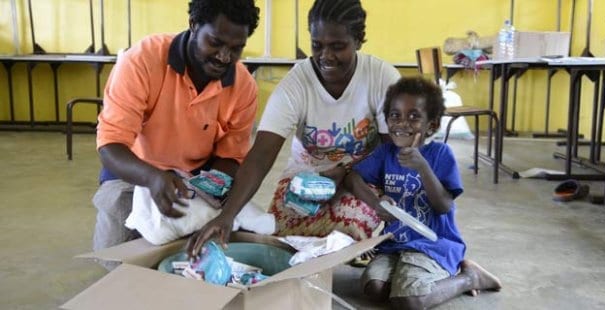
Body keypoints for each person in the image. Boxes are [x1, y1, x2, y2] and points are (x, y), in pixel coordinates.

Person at [187, 0, 401, 256]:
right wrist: (227, 215)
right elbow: (261, 155)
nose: (326, 56)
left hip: (363, 177)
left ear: (358, 41)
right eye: (317, 45)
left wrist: (362, 183)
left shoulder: (381, 78)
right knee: (281, 236)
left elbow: (394, 152)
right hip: (307, 177)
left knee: (346, 230)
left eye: (338, 46)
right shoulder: (296, 85)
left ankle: (355, 242)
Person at [92, 0, 260, 259]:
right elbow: (110, 144)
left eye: (236, 48)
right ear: (193, 25)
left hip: (196, 177)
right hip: (132, 171)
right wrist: (152, 178)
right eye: (215, 42)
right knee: (116, 259)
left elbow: (231, 156)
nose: (224, 57)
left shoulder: (243, 86)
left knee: (210, 254)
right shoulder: (143, 60)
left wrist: (205, 190)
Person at [343, 76, 502, 309]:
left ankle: (470, 278)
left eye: (414, 116)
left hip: (434, 245)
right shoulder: (386, 153)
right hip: (395, 244)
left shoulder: (440, 154)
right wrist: (376, 201)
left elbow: (444, 206)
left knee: (409, 301)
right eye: (395, 115)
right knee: (373, 289)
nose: (402, 123)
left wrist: (422, 167)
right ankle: (407, 276)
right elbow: (352, 177)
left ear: (432, 125)